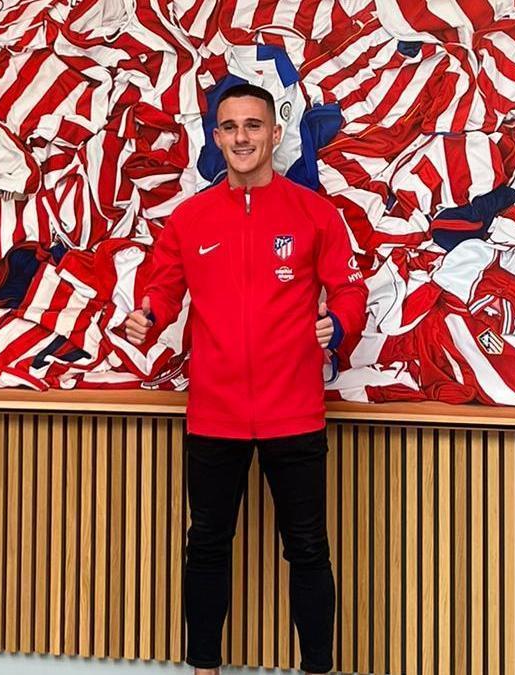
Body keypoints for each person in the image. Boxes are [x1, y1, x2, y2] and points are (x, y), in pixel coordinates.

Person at [123, 83, 368, 674]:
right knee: (206, 546)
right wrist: (149, 312)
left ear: (275, 134)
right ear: (216, 137)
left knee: (308, 549)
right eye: (230, 127)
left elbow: (350, 289)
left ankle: (318, 669)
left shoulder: (314, 212)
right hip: (215, 412)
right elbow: (163, 284)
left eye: (253, 126)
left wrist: (338, 325)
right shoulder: (190, 217)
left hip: (295, 411)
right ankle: (202, 668)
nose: (242, 137)